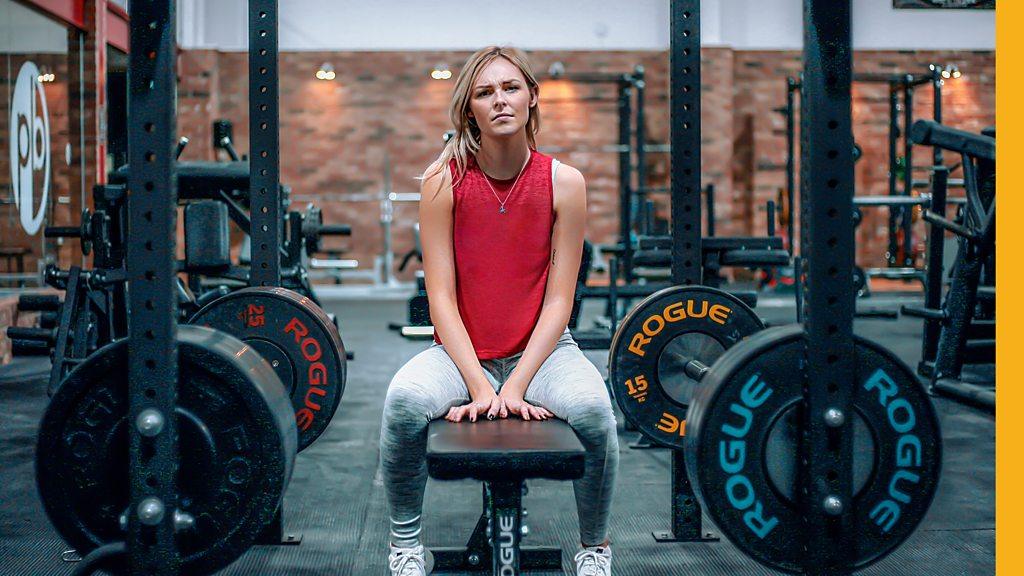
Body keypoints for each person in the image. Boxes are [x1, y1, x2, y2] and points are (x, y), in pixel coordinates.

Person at [379, 46, 619, 576]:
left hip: (546, 352)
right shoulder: (442, 181)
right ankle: (405, 546)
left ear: (532, 97)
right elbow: (439, 297)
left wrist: (514, 387)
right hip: (460, 353)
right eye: (484, 93)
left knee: (597, 413)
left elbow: (561, 299)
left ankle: (595, 549)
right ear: (470, 110)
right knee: (402, 402)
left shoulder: (565, 183)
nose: (500, 100)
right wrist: (483, 387)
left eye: (510, 88)